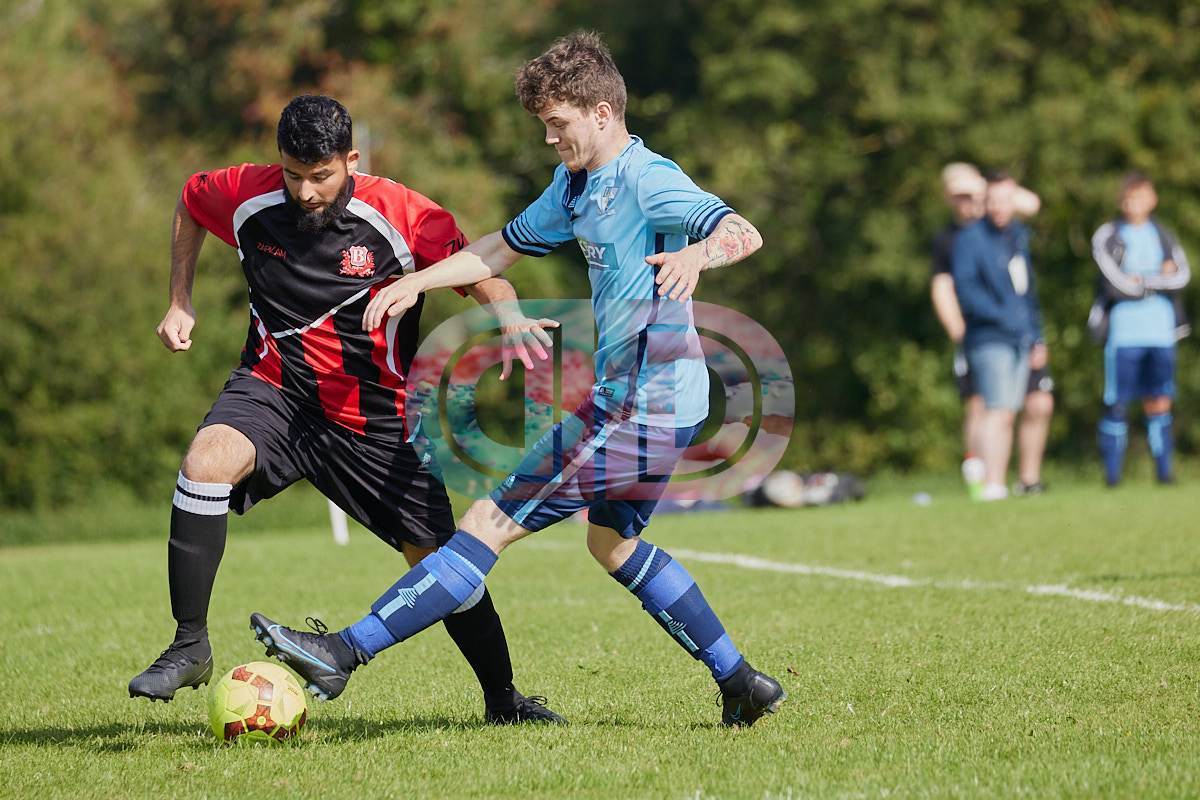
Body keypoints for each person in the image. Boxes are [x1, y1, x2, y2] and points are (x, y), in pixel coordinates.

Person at [248, 32, 786, 728]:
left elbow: (742, 231)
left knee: (485, 524)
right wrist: (417, 281)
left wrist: (697, 256)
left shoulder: (648, 179)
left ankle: (342, 653)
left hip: (640, 407)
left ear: (602, 112)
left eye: (557, 124)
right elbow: (498, 249)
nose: (549, 139)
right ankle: (741, 682)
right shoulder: (576, 185)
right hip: (654, 404)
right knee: (612, 545)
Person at [129, 95, 564, 725]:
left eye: (321, 176)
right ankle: (189, 644)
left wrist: (508, 312)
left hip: (374, 421)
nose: (305, 192)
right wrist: (179, 299)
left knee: (441, 564)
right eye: (293, 175)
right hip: (274, 392)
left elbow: (483, 270)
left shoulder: (404, 215)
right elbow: (191, 202)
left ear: (351, 160)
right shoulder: (249, 194)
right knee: (206, 461)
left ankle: (503, 700)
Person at [931, 164, 1053, 499]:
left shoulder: (1016, 235)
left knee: (1019, 408)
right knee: (995, 409)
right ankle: (991, 483)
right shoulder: (963, 238)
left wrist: (1035, 335)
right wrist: (993, 321)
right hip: (989, 336)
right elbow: (964, 290)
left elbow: (1027, 292)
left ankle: (1017, 481)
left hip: (1021, 335)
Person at [1091, 172, 1191, 486]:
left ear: (1153, 199)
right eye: (1129, 197)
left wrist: (1141, 279)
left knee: (1159, 399)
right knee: (1117, 401)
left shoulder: (1164, 235)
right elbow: (1115, 284)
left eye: (1141, 196)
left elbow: (1181, 277)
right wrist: (1157, 278)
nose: (1134, 203)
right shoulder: (1108, 235)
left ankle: (1164, 474)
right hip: (1123, 334)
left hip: (1161, 333)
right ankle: (1112, 477)